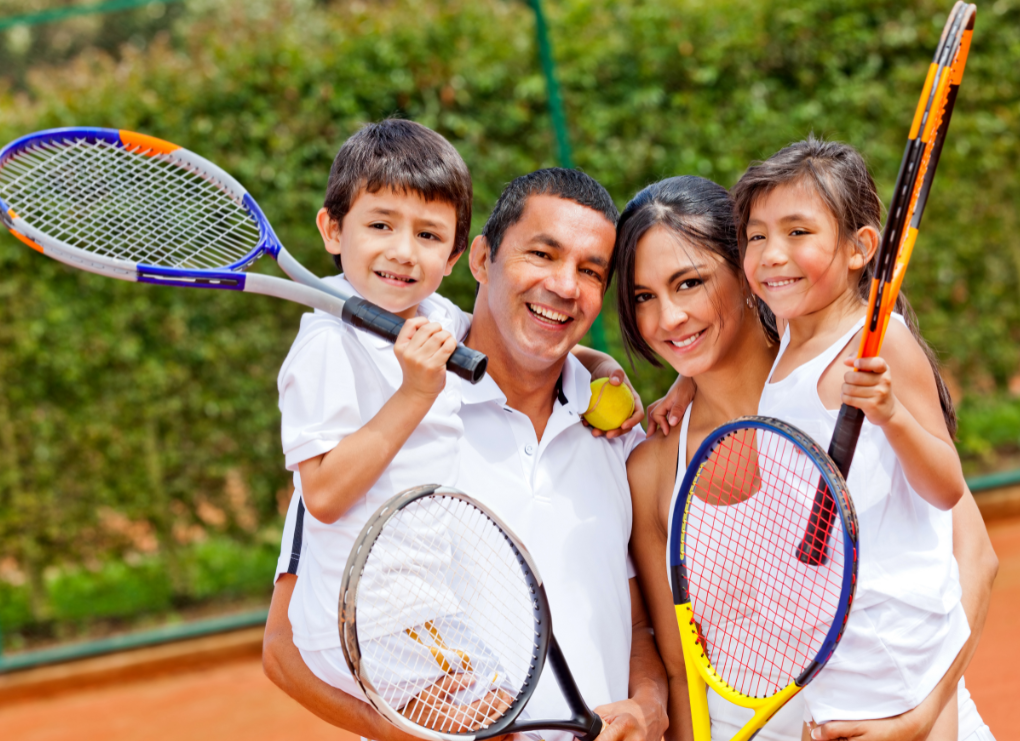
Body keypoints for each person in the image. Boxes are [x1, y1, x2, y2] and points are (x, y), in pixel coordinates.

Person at [265, 166, 668, 741]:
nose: (564, 285)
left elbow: (634, 621)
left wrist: (648, 707)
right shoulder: (388, 413)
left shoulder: (616, 433)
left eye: (591, 271)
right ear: (480, 259)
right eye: (542, 254)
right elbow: (283, 649)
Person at [619, 175, 997, 741]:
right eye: (644, 297)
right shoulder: (651, 469)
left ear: (748, 273)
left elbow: (976, 558)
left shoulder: (848, 385)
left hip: (917, 713)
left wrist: (920, 713)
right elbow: (680, 672)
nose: (667, 318)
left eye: (690, 283)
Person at [735, 138, 968, 736]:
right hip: (833, 642)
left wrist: (891, 413)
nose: (771, 255)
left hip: (896, 646)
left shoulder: (879, 340)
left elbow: (946, 487)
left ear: (861, 247)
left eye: (798, 232)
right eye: (756, 236)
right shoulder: (787, 335)